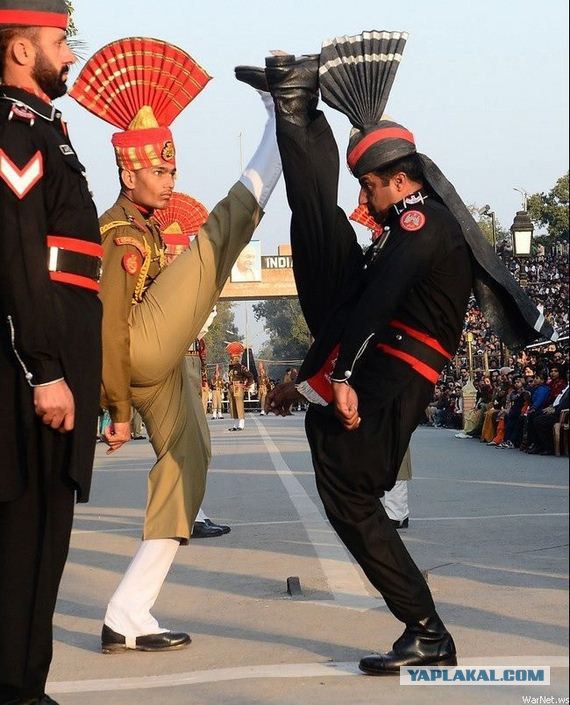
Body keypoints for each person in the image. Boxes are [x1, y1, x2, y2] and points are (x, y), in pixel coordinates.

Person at [258, 30, 555, 675]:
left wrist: (335, 376)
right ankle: (297, 110)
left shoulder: (422, 227)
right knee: (315, 225)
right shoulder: (406, 224)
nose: (364, 199)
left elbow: (373, 305)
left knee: (352, 497)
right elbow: (359, 301)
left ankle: (426, 629)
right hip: (386, 362)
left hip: (397, 373)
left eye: (369, 186)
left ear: (399, 178)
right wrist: (313, 378)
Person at [71, 38, 281, 653]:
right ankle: (279, 122)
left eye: (171, 170)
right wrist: (111, 409)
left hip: (154, 366)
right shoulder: (117, 233)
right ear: (127, 171)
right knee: (219, 237)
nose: (168, 181)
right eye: (159, 171)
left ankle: (127, 614)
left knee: (190, 462)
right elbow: (108, 325)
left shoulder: (146, 231)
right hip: (134, 353)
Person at [0, 2, 102, 703]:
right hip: (34, 372)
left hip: (59, 363)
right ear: (18, 48)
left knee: (46, 538)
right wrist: (46, 369)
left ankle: (26, 685)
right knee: (23, 537)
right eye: (60, 42)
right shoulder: (13, 129)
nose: (70, 55)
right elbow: (17, 254)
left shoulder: (43, 128)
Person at [227, 341, 254, 430]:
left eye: (232, 357)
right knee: (233, 406)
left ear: (237, 358)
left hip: (238, 387)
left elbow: (250, 376)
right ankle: (235, 424)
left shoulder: (241, 367)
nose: (231, 359)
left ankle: (241, 424)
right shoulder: (230, 368)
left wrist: (246, 385)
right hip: (231, 388)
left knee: (239, 405)